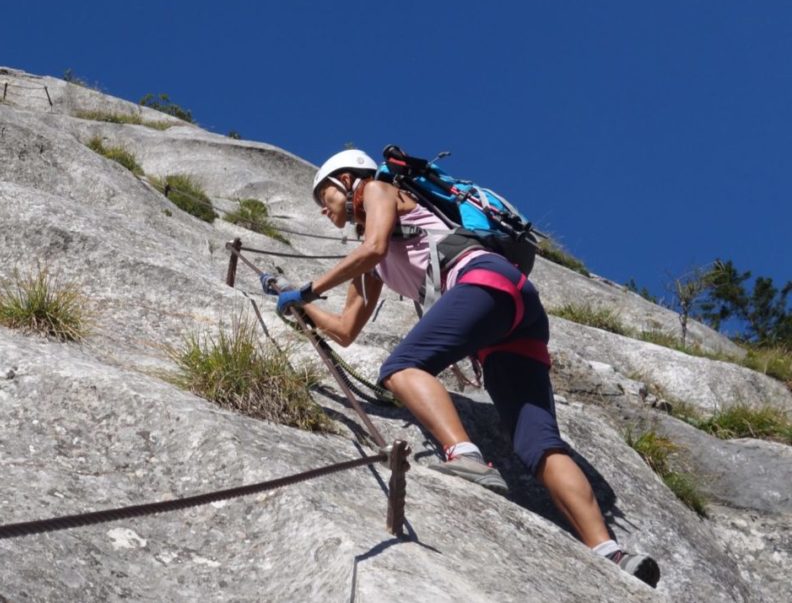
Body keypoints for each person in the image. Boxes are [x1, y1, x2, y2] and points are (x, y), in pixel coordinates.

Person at [264, 148, 660, 588]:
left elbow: (374, 245)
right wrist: (295, 303)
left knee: (401, 366)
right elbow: (345, 329)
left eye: (326, 194)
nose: (323, 207)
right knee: (537, 443)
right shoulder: (370, 265)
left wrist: (307, 288)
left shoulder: (378, 188)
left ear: (349, 181)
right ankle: (611, 551)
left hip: (482, 282)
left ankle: (465, 457)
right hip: (512, 306)